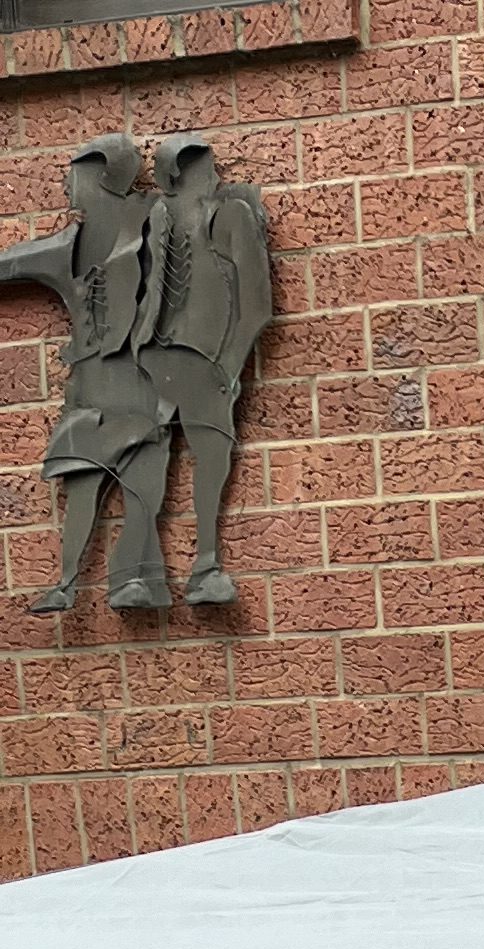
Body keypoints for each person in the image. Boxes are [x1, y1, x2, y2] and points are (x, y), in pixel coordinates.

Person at [0, 138, 171, 615]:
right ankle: (68, 580)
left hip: (146, 382)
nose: (65, 181)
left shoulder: (156, 226)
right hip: (90, 387)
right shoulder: (67, 246)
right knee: (80, 478)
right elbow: (11, 263)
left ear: (103, 174)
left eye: (75, 172)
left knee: (142, 483)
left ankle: (135, 580)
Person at [137, 138, 273, 610]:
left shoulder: (230, 215)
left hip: (206, 361)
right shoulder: (155, 220)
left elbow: (256, 304)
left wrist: (229, 365)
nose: (208, 175)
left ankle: (207, 564)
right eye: (194, 169)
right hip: (154, 361)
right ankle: (143, 571)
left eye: (205, 166)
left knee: (211, 452)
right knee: (143, 458)